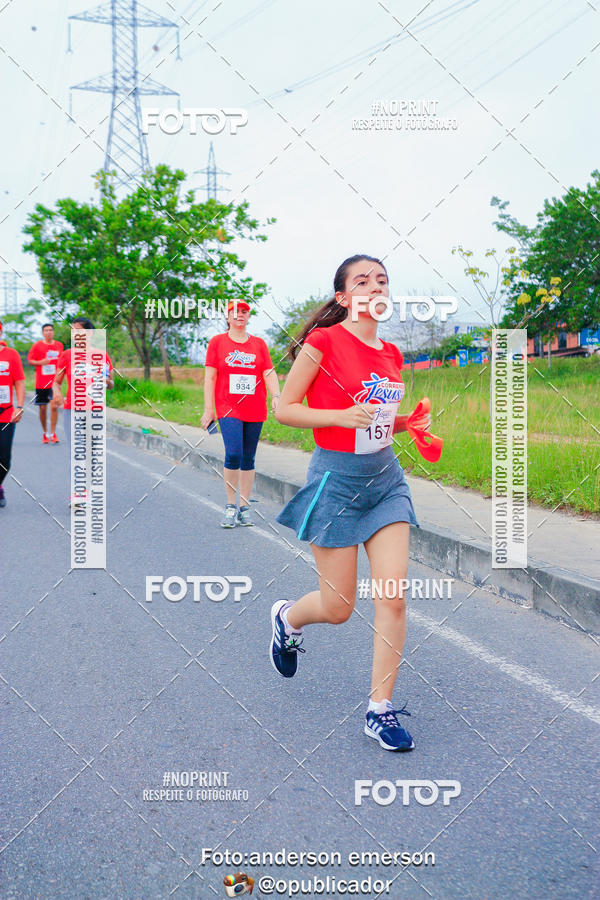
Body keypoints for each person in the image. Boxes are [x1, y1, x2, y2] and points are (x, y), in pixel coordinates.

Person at [270, 255, 433, 753]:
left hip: (386, 484)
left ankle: (379, 710)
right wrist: (340, 416)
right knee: (339, 608)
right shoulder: (323, 342)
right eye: (362, 281)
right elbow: (285, 410)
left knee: (393, 598)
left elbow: (377, 418)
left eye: (382, 280)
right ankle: (287, 620)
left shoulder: (390, 353)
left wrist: (406, 423)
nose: (374, 287)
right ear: (343, 297)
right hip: (337, 486)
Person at [201, 300, 280, 528]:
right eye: (235, 312)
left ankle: (244, 507)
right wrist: (209, 410)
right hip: (228, 407)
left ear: (248, 317)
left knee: (248, 457)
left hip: (254, 407)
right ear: (227, 317)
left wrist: (276, 395)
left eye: (244, 312)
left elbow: (269, 372)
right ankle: (229, 505)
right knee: (233, 453)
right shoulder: (217, 342)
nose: (240, 315)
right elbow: (210, 377)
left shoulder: (259, 344)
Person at [51, 317, 113, 504]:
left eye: (79, 330)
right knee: (77, 451)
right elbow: (56, 381)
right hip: (73, 409)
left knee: (92, 453)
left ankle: (88, 488)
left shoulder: (101, 355)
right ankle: (79, 493)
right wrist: (57, 393)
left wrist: (106, 382)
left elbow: (111, 383)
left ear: (90, 333)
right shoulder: (67, 355)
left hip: (95, 410)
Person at [0, 320, 25, 508]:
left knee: (4, 458)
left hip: (6, 413)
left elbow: (19, 381)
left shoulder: (11, 355)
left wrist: (20, 406)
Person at [27, 323, 64, 443]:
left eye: (50, 330)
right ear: (42, 333)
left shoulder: (59, 345)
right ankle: (45, 433)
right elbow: (30, 361)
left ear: (53, 332)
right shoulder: (37, 346)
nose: (49, 332)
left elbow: (62, 362)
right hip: (41, 383)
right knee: (43, 409)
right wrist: (40, 362)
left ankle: (53, 433)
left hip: (54, 383)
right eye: (46, 330)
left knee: (54, 407)